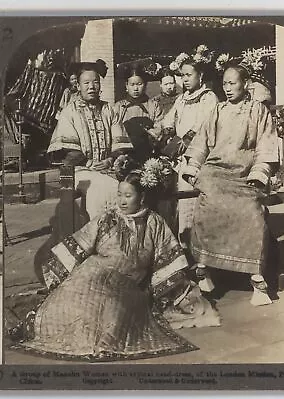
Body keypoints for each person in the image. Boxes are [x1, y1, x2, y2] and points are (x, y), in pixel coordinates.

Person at [6, 170, 220, 361]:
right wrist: (58, 274)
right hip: (91, 273)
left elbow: (166, 259)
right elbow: (81, 243)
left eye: (128, 195)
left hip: (126, 285)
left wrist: (177, 293)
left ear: (142, 196)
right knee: (64, 307)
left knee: (110, 321)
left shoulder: (154, 223)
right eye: (119, 194)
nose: (122, 200)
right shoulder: (107, 218)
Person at [181, 61, 280, 305]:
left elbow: (266, 145)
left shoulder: (258, 111)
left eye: (232, 83)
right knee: (208, 204)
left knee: (250, 212)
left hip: (246, 177)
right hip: (216, 173)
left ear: (245, 84)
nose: (227, 88)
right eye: (224, 83)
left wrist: (259, 173)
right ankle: (203, 270)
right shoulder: (217, 110)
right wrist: (193, 167)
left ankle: (257, 280)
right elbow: (201, 141)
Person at [47, 60, 131, 219]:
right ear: (78, 86)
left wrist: (109, 160)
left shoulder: (108, 110)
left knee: (131, 187)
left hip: (109, 167)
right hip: (80, 170)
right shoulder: (69, 112)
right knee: (104, 188)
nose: (91, 86)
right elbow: (67, 151)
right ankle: (98, 234)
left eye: (96, 82)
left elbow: (119, 143)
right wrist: (89, 163)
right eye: (86, 83)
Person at [161, 46, 218, 248]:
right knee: (176, 202)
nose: (185, 79)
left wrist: (184, 142)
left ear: (200, 75)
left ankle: (196, 246)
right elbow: (169, 120)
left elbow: (203, 125)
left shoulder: (208, 97)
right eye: (182, 75)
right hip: (179, 157)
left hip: (198, 156)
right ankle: (180, 244)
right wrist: (167, 134)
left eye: (189, 75)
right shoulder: (181, 98)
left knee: (191, 200)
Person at [114, 59, 163, 162]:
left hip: (148, 153)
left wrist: (149, 133)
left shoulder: (153, 105)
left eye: (139, 84)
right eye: (132, 85)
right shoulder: (119, 106)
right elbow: (115, 129)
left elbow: (159, 126)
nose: (136, 88)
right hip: (125, 154)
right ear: (126, 86)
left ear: (144, 85)